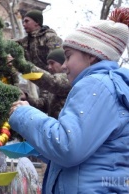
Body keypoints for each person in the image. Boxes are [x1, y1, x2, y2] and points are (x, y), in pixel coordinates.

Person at [9, 7, 129, 194]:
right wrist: (41, 146)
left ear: (91, 55)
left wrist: (24, 114)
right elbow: (87, 152)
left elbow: (67, 146)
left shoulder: (96, 84)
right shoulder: (109, 86)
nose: (64, 66)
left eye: (68, 56)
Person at [22, 48, 70, 119]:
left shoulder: (69, 79)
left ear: (63, 63)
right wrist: (26, 97)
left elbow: (52, 82)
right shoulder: (52, 85)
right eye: (48, 64)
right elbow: (44, 105)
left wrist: (22, 66)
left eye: (52, 63)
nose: (49, 67)